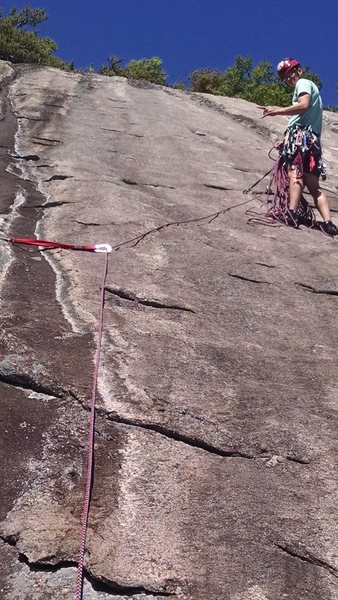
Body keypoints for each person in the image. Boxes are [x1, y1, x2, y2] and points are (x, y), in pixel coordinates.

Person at [258, 57, 338, 236]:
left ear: (299, 71)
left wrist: (276, 110)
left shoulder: (303, 83)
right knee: (313, 186)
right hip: (310, 141)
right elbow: (304, 117)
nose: (289, 78)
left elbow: (303, 106)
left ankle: (291, 214)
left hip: (301, 139)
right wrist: (284, 141)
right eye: (285, 77)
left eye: (290, 73)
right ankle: (328, 224)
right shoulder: (308, 85)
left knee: (295, 173)